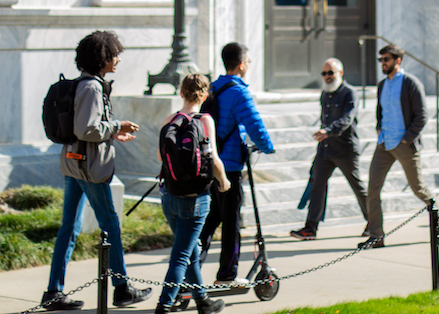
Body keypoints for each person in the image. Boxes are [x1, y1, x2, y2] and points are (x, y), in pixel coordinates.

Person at [41, 31, 152, 311]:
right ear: (102, 58)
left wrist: (112, 134)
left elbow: (84, 128)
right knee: (111, 225)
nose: (118, 59)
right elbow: (87, 128)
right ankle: (123, 288)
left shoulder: (82, 84)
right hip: (90, 169)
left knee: (69, 228)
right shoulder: (92, 87)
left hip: (73, 163)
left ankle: (54, 291)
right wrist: (117, 126)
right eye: (114, 55)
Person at [198, 42, 275, 285]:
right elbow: (255, 125)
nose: (248, 66)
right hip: (229, 167)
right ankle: (227, 275)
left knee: (209, 221)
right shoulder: (239, 92)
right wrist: (268, 147)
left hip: (208, 164)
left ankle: (190, 270)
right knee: (231, 222)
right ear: (241, 64)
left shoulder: (213, 87)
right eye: (248, 62)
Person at [361, 44, 439, 249]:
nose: (383, 63)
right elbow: (380, 111)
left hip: (404, 144)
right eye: (381, 60)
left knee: (418, 188)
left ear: (397, 61)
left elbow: (422, 115)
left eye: (386, 59)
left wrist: (407, 138)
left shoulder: (411, 83)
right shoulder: (382, 85)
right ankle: (376, 236)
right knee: (373, 189)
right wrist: (378, 128)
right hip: (384, 144)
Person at [155, 74, 230, 314]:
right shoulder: (205, 120)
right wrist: (224, 180)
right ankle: (164, 305)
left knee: (190, 250)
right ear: (205, 95)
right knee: (181, 255)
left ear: (181, 93)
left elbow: (160, 158)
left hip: (169, 196)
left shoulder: (171, 119)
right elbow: (214, 159)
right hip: (196, 200)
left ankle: (203, 301)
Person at [289, 58, 368, 240]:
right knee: (317, 185)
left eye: (330, 73)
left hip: (346, 149)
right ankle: (310, 228)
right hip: (325, 150)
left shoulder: (350, 93)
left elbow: (347, 119)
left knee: (357, 186)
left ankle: (373, 222)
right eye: (324, 73)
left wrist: (328, 131)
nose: (327, 77)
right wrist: (324, 134)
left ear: (340, 73)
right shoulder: (325, 93)